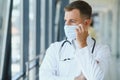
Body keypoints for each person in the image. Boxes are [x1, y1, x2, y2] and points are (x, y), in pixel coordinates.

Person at [40, 0, 110, 80]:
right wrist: (76, 79)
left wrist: (83, 44)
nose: (66, 25)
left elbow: (96, 78)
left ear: (86, 23)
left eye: (72, 21)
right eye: (66, 21)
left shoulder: (102, 50)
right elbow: (44, 77)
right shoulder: (55, 48)